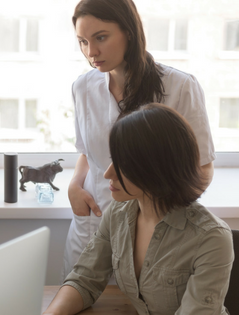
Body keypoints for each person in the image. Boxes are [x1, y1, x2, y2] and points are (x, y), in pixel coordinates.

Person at [62, 0, 216, 281]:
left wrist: (156, 217)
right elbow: (89, 153)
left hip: (153, 238)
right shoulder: (83, 88)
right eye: (82, 41)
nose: (90, 52)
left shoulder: (179, 87)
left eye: (101, 37)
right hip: (92, 228)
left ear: (129, 32)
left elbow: (202, 169)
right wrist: (74, 185)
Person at [44, 103, 233, 315]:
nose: (107, 173)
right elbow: (84, 279)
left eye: (123, 164)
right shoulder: (118, 212)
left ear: (156, 168)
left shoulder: (211, 238)